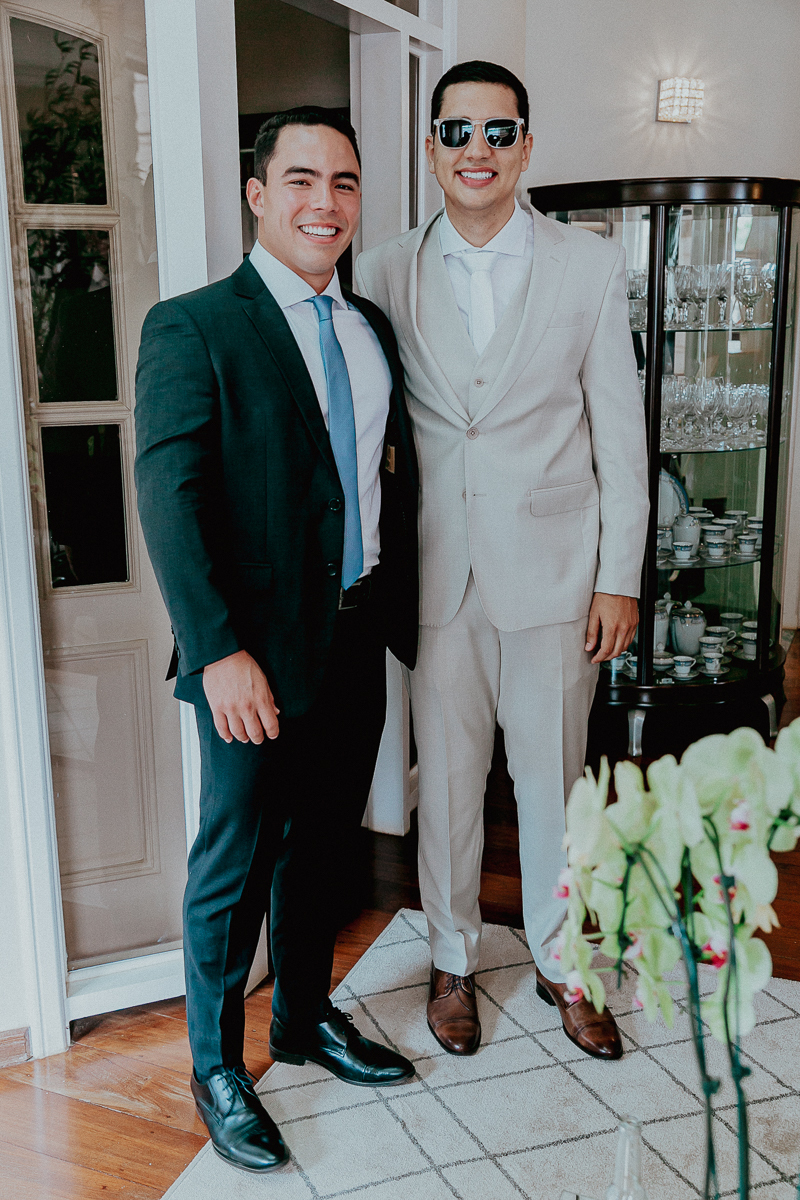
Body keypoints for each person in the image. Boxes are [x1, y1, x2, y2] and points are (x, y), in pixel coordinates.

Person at [134, 106, 419, 1175]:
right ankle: (218, 1066)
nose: (324, 202)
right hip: (249, 656)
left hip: (356, 633)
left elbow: (386, 480)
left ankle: (302, 1022)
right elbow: (170, 495)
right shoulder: (195, 324)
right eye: (301, 180)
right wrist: (216, 652)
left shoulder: (369, 328)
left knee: (326, 852)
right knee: (233, 863)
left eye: (342, 183)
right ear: (258, 194)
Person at [356, 62, 648, 1061]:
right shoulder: (383, 267)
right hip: (431, 576)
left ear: (524, 146)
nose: (473, 149)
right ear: (430, 149)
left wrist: (619, 575)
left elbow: (620, 431)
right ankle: (450, 958)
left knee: (552, 784)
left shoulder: (587, 264)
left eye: (496, 131)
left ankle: (566, 966)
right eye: (454, 131)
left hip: (557, 578)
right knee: (444, 783)